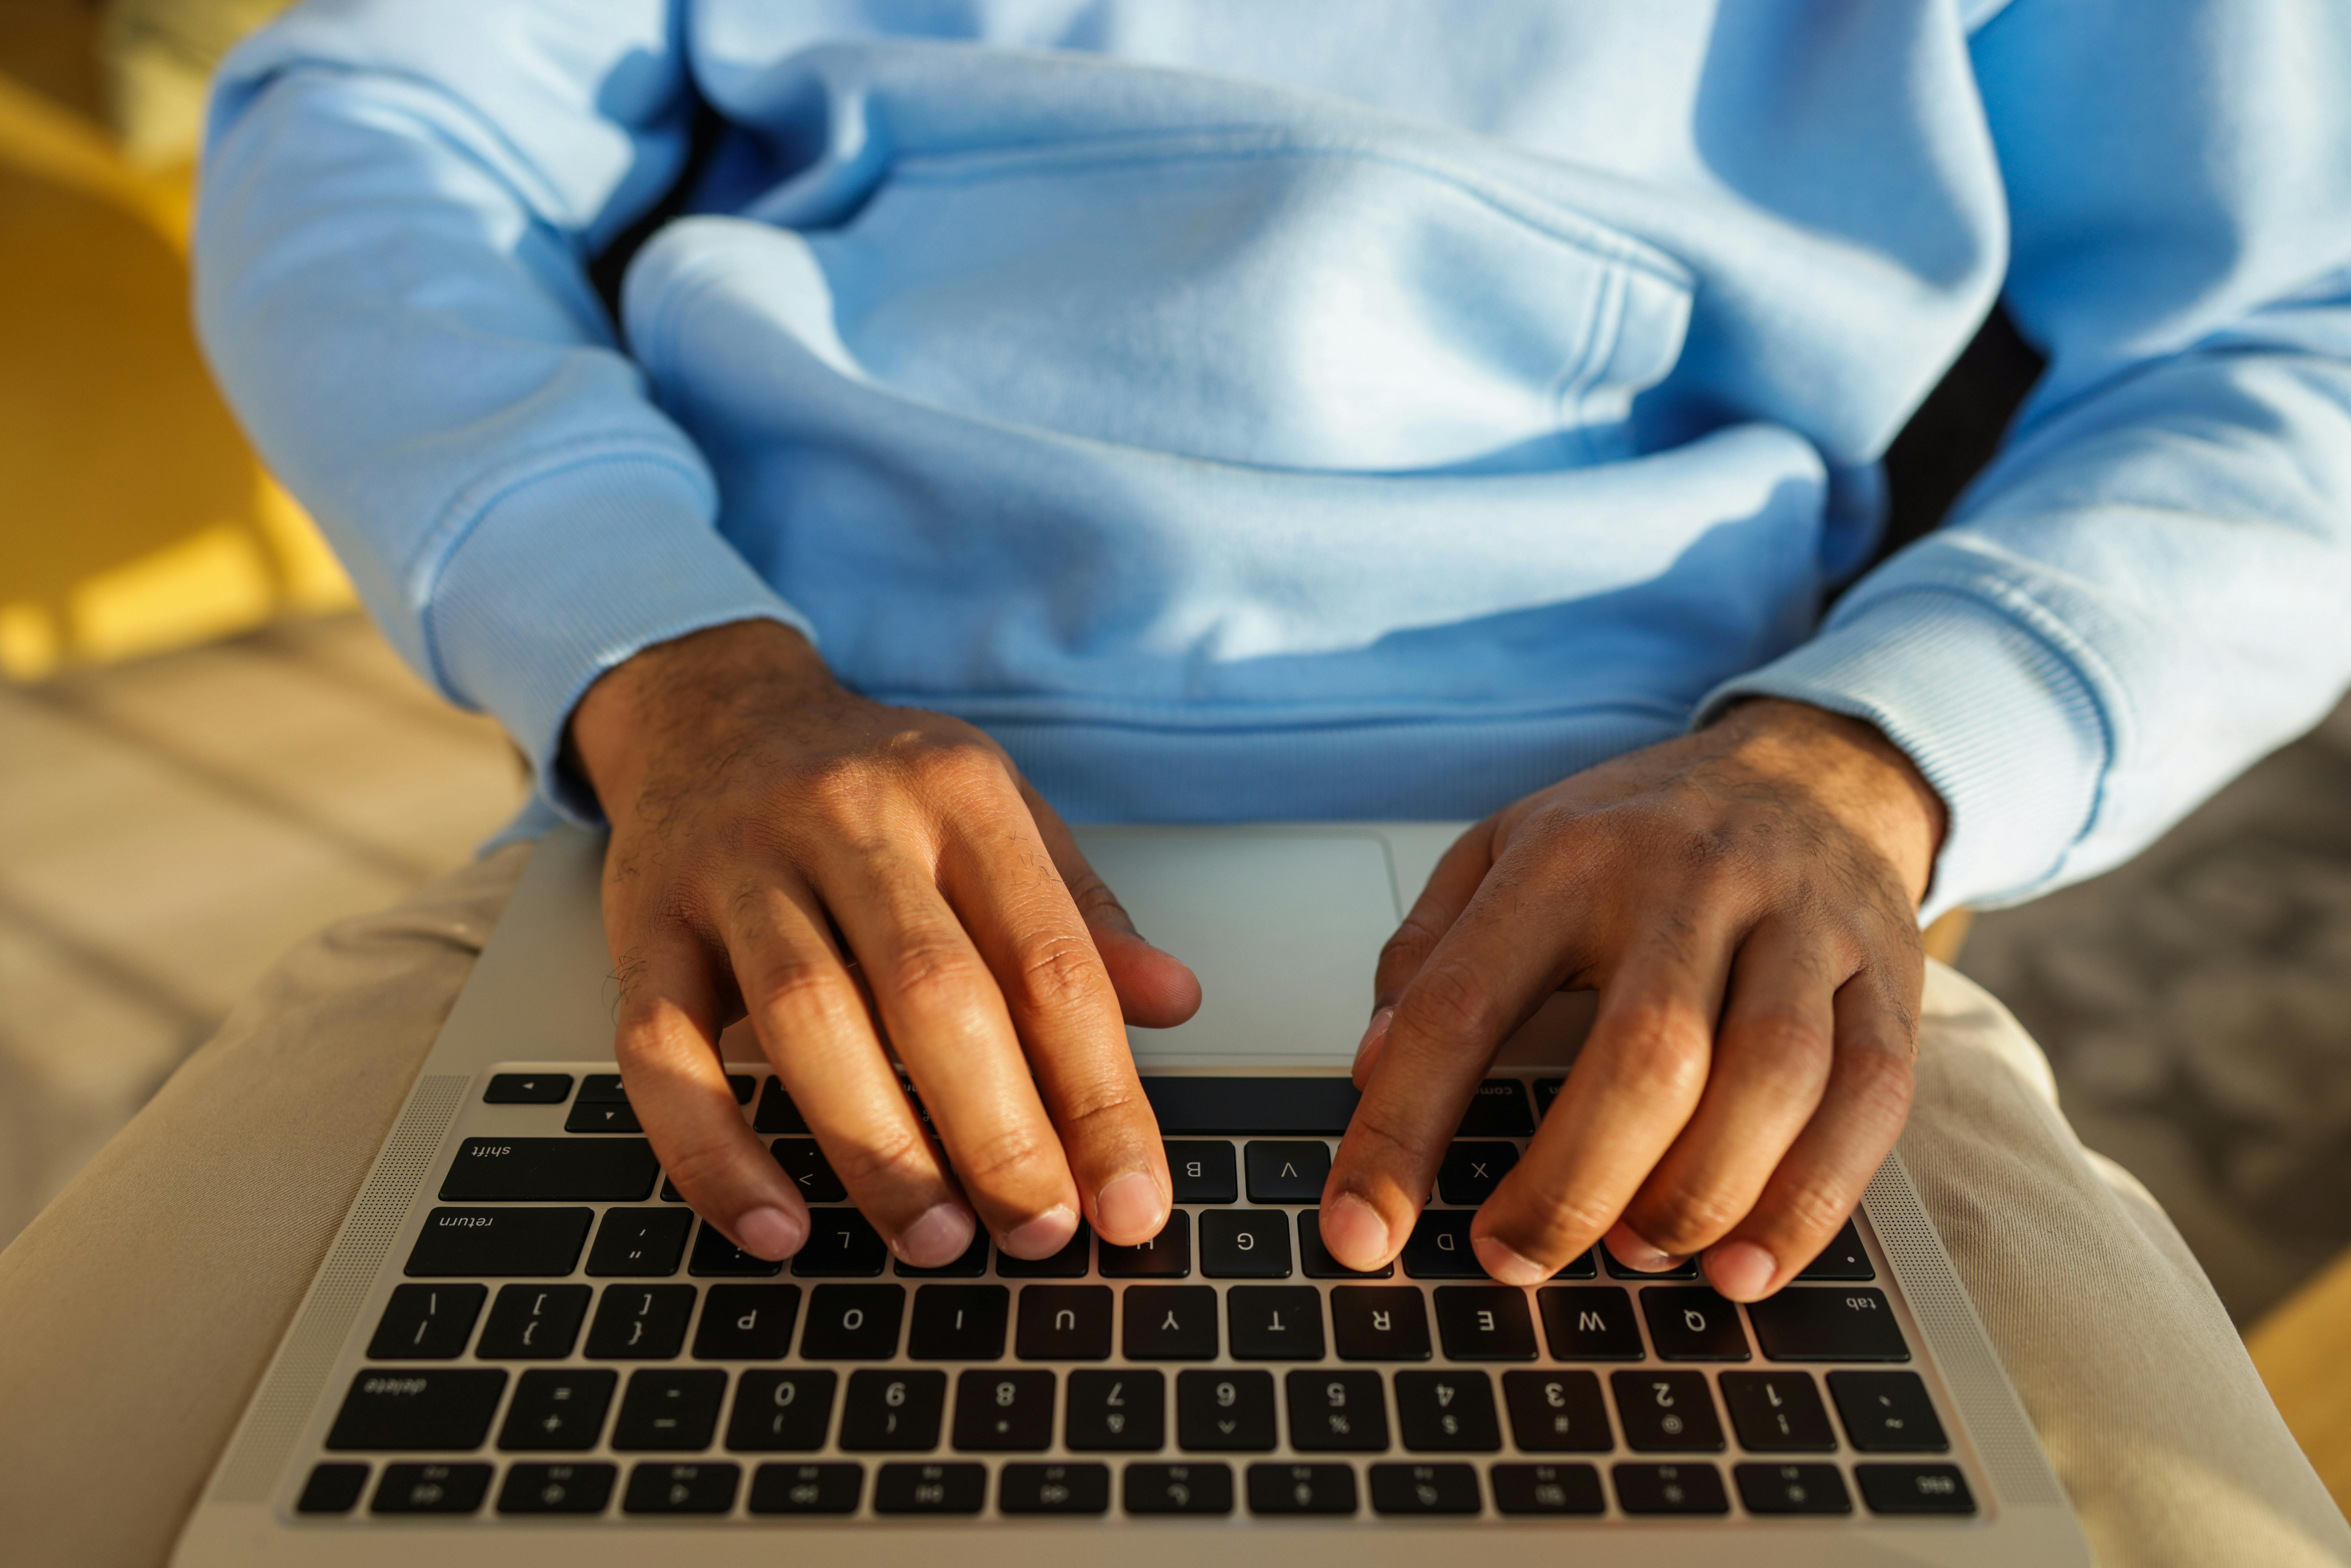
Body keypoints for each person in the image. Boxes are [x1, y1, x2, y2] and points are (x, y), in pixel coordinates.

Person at [9, 3, 2350, 1562]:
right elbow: (377, 118)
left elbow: (2288, 328)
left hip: (1659, 901)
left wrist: (1864, 770)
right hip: (743, 824)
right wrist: (666, 671)